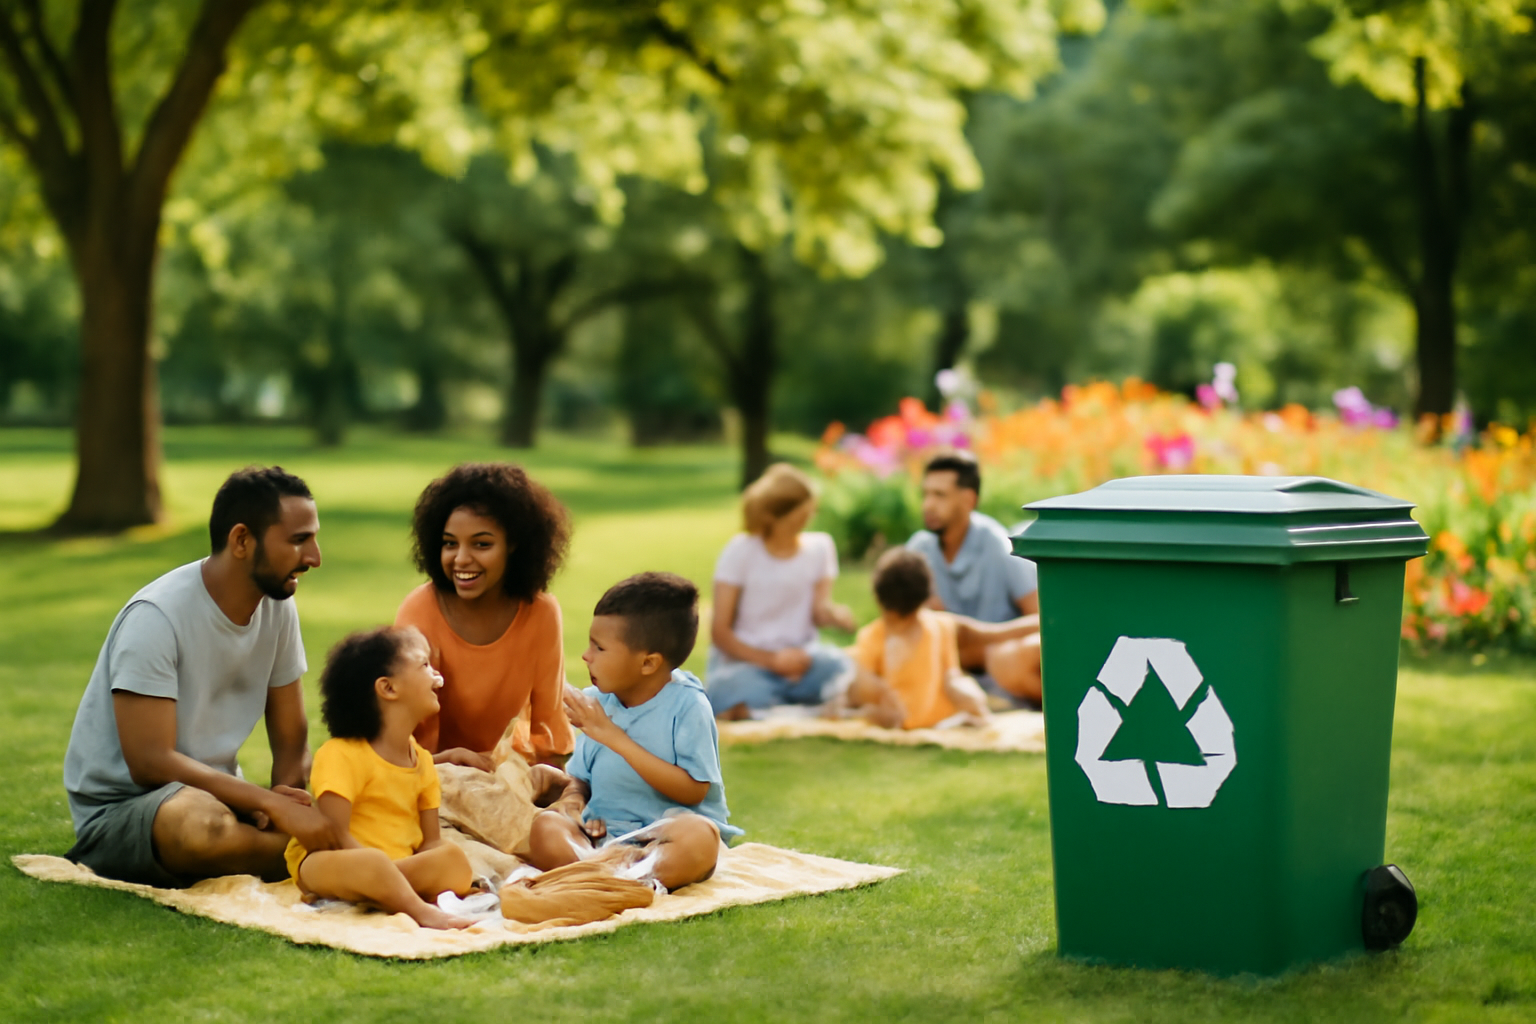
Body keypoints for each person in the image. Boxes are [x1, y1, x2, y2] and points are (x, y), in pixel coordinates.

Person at [63, 466, 345, 886]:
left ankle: (314, 851)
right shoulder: (156, 617)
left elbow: (291, 736)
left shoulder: (277, 604)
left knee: (345, 800)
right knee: (199, 828)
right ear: (242, 540)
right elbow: (150, 762)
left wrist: (284, 798)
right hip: (125, 810)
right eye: (299, 540)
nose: (315, 558)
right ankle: (336, 859)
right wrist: (272, 807)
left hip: (220, 797)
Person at [529, 573, 740, 891]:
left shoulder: (687, 706)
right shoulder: (599, 702)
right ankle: (607, 872)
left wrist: (612, 736)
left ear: (648, 663)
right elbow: (580, 778)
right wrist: (574, 803)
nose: (586, 655)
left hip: (667, 837)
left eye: (599, 648)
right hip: (606, 840)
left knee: (700, 838)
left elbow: (694, 790)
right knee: (546, 826)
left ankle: (619, 877)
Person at [284, 626, 478, 930]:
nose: (436, 675)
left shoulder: (423, 761)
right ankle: (421, 911)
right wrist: (380, 869)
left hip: (393, 867)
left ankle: (379, 895)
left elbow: (431, 842)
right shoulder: (341, 754)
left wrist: (431, 865)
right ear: (388, 688)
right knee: (372, 863)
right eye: (424, 665)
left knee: (454, 861)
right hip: (333, 860)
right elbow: (334, 838)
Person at [395, 463, 574, 771]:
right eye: (450, 543)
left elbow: (550, 737)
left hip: (510, 774)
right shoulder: (419, 610)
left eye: (482, 544)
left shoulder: (541, 612)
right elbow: (395, 739)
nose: (461, 559)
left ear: (514, 545)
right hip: (428, 774)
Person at [705, 463, 855, 720]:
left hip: (802, 660)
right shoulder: (741, 551)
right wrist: (773, 660)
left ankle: (771, 712)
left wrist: (836, 616)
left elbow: (819, 612)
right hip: (748, 663)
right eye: (802, 512)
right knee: (727, 689)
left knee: (842, 668)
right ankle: (802, 709)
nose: (809, 516)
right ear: (775, 516)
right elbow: (720, 632)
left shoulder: (820, 548)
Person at [906, 451, 1043, 705]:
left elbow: (1044, 620)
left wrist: (980, 639)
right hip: (942, 666)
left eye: (939, 495)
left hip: (998, 664)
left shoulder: (998, 545)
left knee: (1010, 659)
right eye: (925, 494)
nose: (928, 505)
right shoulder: (918, 550)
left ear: (968, 499)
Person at [841, 548, 991, 730]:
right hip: (925, 717)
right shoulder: (940, 625)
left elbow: (951, 676)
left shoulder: (876, 635)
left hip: (918, 718)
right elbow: (952, 677)